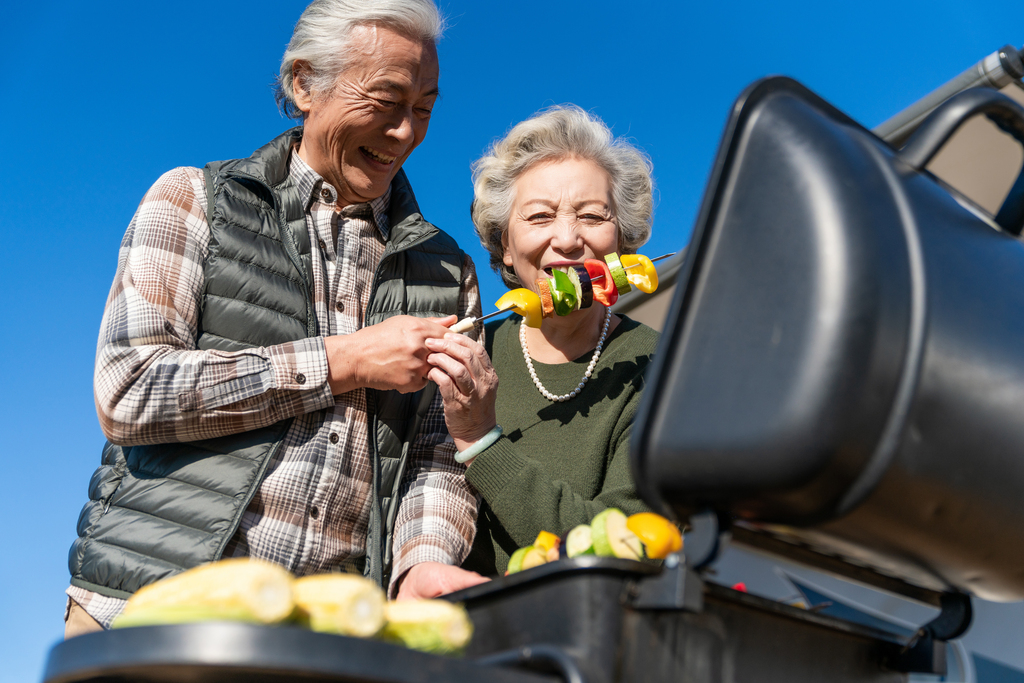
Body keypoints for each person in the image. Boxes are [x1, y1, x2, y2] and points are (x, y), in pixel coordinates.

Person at [64, 0, 487, 638]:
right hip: (147, 609)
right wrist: (344, 359)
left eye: (423, 108)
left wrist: (422, 565)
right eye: (385, 99)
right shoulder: (192, 199)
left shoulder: (447, 270)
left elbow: (437, 453)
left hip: (328, 634)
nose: (405, 132)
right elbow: (130, 392)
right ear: (304, 84)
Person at [423, 106, 659, 575]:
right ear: (506, 245)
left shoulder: (659, 366)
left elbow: (623, 542)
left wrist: (481, 443)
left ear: (622, 241)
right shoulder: (467, 353)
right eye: (539, 216)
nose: (568, 239)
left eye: (593, 216)